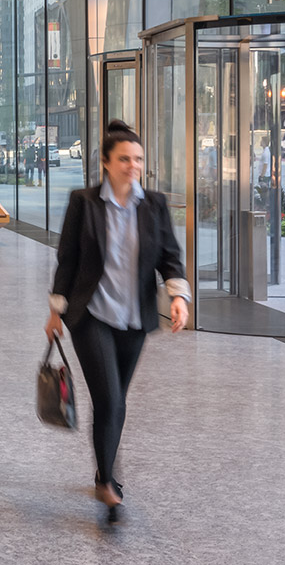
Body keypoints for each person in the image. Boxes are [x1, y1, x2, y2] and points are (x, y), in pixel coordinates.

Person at [45, 120, 191, 524]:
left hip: (135, 318)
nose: (133, 165)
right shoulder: (84, 202)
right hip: (91, 315)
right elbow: (68, 259)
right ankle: (108, 483)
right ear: (107, 163)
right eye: (124, 158)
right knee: (109, 398)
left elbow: (170, 257)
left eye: (138, 159)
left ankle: (102, 468)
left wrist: (178, 296)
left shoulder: (154, 205)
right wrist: (56, 311)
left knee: (117, 401)